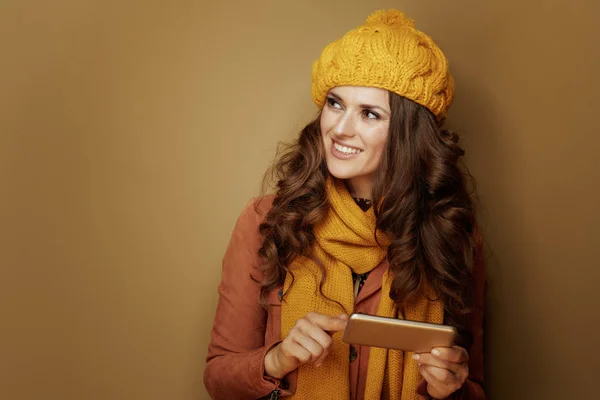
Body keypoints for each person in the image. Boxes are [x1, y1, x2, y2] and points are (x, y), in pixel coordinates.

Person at [204, 9, 485, 400]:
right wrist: (278, 359)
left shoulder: (451, 234)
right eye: (335, 104)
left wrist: (452, 389)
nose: (339, 128)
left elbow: (476, 386)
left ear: (409, 134)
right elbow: (218, 376)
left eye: (369, 113)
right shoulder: (266, 220)